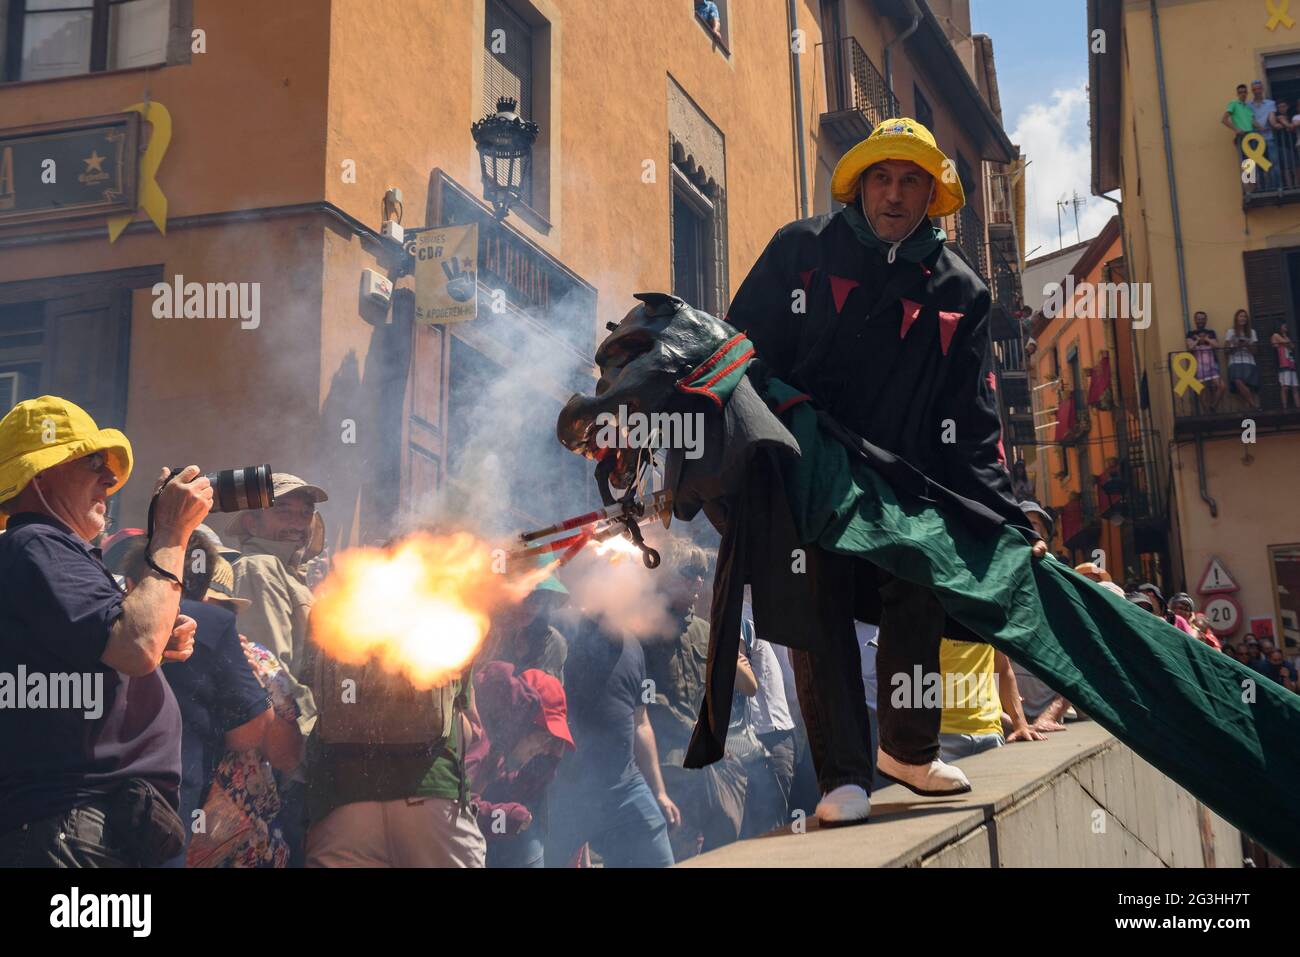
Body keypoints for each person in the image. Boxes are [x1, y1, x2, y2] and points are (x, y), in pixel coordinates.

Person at [721, 116, 1048, 826]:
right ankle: (842, 777)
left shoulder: (962, 289)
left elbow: (975, 421)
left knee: (926, 562)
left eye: (911, 180)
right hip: (801, 459)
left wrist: (1008, 520)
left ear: (933, 193)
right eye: (882, 177)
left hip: (900, 479)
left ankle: (907, 746)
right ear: (861, 184)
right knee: (817, 599)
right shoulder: (801, 250)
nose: (894, 194)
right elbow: (735, 347)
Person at [0, 396, 212, 867]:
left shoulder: (46, 550)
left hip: (85, 827)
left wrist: (156, 632)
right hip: (72, 826)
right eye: (92, 463)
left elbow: (131, 643)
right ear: (41, 473)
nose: (110, 479)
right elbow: (133, 647)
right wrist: (173, 533)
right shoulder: (37, 540)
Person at [108, 534, 290, 868]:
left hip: (82, 808)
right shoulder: (211, 625)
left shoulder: (97, 616)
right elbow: (250, 732)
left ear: (132, 581)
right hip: (165, 812)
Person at [229, 472, 328, 864]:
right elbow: (271, 672)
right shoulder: (260, 568)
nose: (297, 522)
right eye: (283, 510)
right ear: (250, 522)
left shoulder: (289, 575)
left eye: (305, 514)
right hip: (282, 767)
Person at [644, 537, 754, 860]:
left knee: (721, 846)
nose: (698, 581)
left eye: (701, 573)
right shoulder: (644, 629)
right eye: (689, 572)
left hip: (706, 764)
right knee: (674, 850)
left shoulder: (706, 631)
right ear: (666, 577)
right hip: (666, 766)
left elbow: (748, 687)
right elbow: (648, 701)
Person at [545, 613, 678, 868]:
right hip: (567, 791)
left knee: (658, 859)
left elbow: (641, 723)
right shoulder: (566, 639)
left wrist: (659, 792)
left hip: (626, 786)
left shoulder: (633, 647)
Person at [466, 662, 573, 868]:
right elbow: (454, 810)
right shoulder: (480, 741)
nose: (545, 748)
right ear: (522, 722)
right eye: (543, 737)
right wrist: (505, 818)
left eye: (552, 741)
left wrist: (550, 761)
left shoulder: (505, 751)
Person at [1185, 311, 1226, 410]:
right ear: (1195, 320)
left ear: (1206, 320)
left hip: (1212, 366)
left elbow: (1216, 346)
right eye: (1199, 319)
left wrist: (1206, 339)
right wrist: (1198, 340)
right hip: (1198, 367)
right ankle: (1206, 412)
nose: (1201, 321)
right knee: (1201, 391)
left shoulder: (1211, 333)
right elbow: (1190, 347)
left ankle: (1213, 407)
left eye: (1203, 319)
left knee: (1222, 386)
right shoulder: (1190, 334)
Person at [1226, 309, 1261, 410]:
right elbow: (1226, 350)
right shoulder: (1230, 332)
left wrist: (1247, 344)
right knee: (1237, 381)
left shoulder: (1251, 332)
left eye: (1245, 316)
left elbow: (1255, 351)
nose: (1243, 318)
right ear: (1236, 318)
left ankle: (1248, 409)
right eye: (1241, 316)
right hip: (1234, 361)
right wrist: (1236, 345)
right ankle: (1254, 405)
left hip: (1248, 361)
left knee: (1246, 386)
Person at [1249, 80, 1279, 188]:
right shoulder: (1248, 105)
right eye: (1255, 89)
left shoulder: (1270, 103)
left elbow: (1271, 118)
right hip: (1255, 139)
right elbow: (1250, 120)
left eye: (1259, 88)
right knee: (1257, 164)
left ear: (1262, 89)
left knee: (1274, 162)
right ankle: (1262, 188)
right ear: (1252, 91)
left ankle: (1276, 186)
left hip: (1268, 137)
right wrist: (1261, 128)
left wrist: (1275, 125)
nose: (1257, 91)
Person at [1272, 322, 1299, 409]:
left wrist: (1286, 338)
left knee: (1295, 387)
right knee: (1285, 387)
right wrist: (1285, 340)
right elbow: (1285, 342)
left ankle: (1298, 406)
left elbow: (1292, 346)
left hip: (1291, 363)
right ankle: (1285, 407)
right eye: (1284, 325)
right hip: (1283, 364)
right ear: (1279, 326)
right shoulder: (1275, 335)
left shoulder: (1286, 336)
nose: (1286, 327)